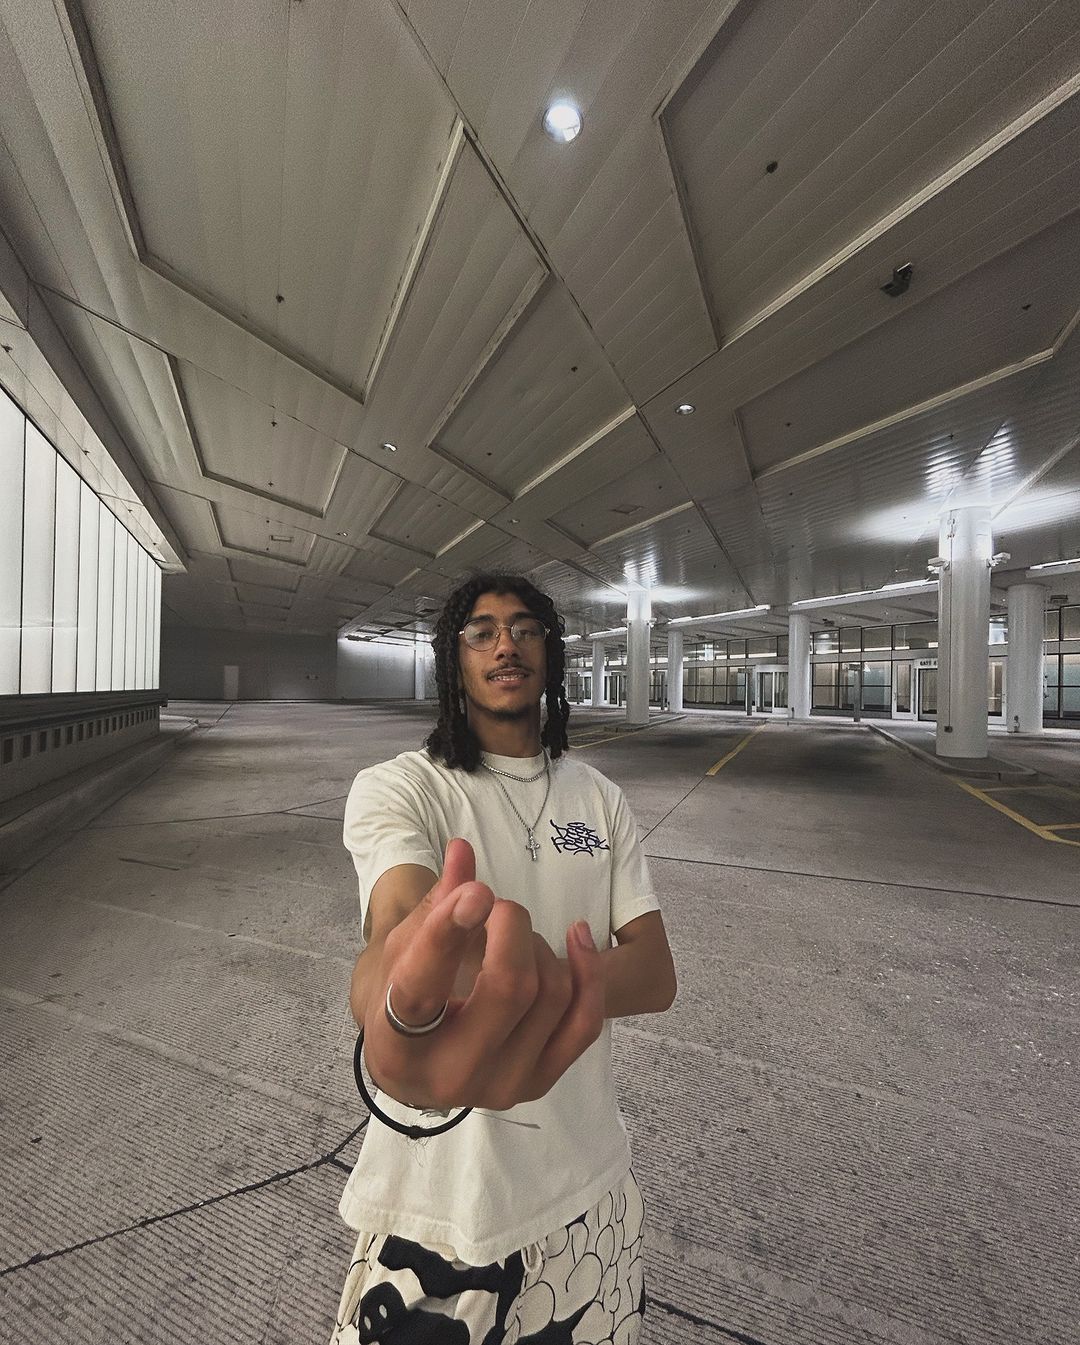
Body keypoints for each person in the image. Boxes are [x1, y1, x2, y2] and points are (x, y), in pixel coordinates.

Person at [330, 572, 677, 1344]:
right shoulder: (403, 788)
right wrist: (394, 1006)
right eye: (481, 632)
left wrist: (522, 983)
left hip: (592, 1198)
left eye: (524, 629)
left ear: (549, 653)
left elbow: (655, 973)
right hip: (441, 1215)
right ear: (453, 660)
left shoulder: (599, 798)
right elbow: (399, 927)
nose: (505, 645)